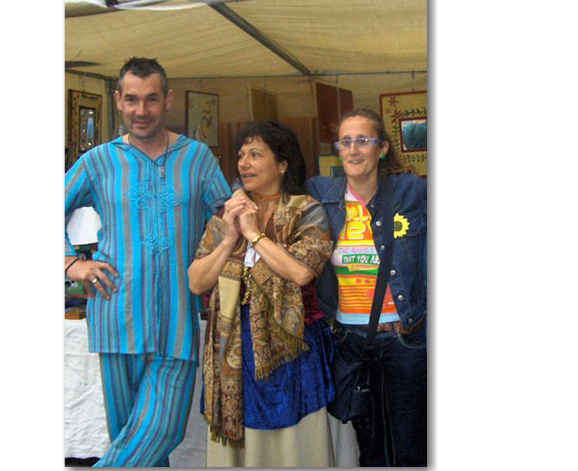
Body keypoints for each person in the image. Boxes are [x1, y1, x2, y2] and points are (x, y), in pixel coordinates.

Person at [64, 57, 231, 467]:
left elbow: (228, 216)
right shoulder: (98, 161)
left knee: (162, 430)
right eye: (132, 100)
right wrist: (72, 264)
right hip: (116, 316)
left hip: (178, 321)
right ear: (118, 100)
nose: (142, 110)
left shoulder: (197, 158)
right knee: (134, 440)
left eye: (151, 99)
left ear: (167, 100)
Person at [188, 121, 336, 466]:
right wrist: (229, 239)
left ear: (282, 164)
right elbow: (197, 282)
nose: (244, 163)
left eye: (255, 155)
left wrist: (254, 235)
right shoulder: (228, 215)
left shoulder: (307, 210)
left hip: (290, 348)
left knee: (292, 447)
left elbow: (301, 272)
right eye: (241, 155)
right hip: (234, 348)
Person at [307, 109, 427, 467]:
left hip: (405, 336)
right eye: (345, 141)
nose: (353, 149)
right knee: (369, 446)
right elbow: (275, 187)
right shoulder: (323, 194)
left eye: (363, 140)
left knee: (411, 446)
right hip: (351, 341)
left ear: (383, 148)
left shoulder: (411, 192)